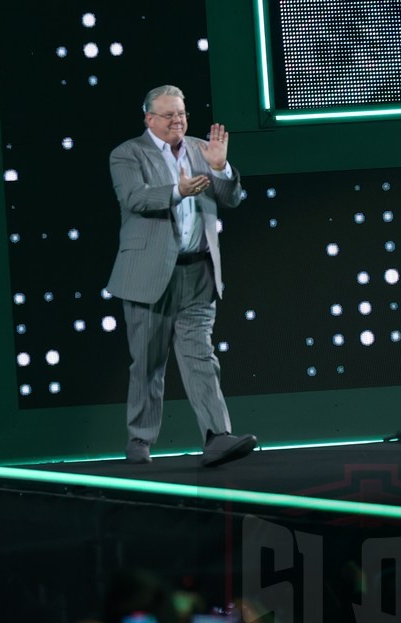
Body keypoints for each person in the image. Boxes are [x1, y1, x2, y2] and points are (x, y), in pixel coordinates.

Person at [106, 85, 256, 467]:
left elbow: (233, 198)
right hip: (150, 275)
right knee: (148, 362)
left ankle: (218, 436)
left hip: (198, 271)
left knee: (200, 357)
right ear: (149, 119)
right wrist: (177, 189)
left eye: (182, 114)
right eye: (169, 115)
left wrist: (220, 167)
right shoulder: (127, 154)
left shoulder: (199, 149)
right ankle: (140, 439)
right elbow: (134, 199)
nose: (178, 121)